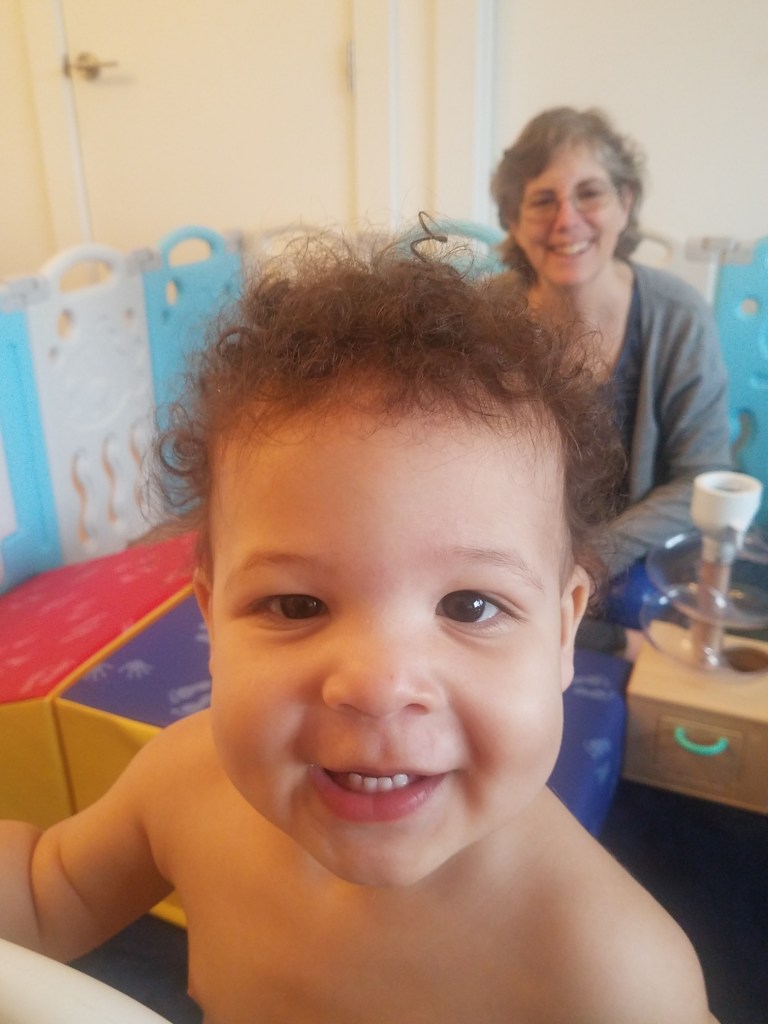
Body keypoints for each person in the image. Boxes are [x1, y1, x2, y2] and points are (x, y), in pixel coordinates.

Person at [0, 241, 717, 1023]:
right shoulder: (182, 784)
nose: (378, 685)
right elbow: (43, 894)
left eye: (470, 606)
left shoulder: (613, 976)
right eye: (296, 605)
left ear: (563, 631)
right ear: (210, 616)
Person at [491, 107, 733, 656]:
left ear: (625, 203)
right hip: (520, 547)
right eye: (542, 200)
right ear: (512, 220)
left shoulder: (677, 315)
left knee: (638, 607)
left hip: (636, 551)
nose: (567, 219)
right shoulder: (488, 316)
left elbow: (701, 478)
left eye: (590, 193)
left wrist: (592, 555)